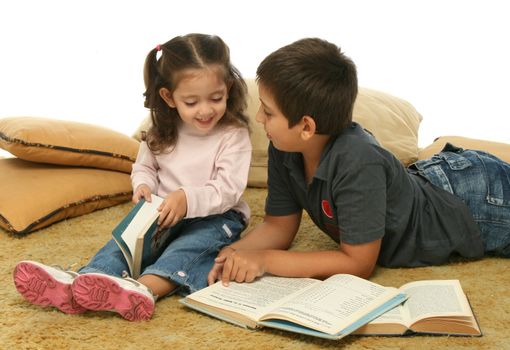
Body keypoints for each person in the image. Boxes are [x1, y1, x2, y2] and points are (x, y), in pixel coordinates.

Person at [207, 37, 510, 287]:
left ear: (307, 127)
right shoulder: (284, 147)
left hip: (476, 201)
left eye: (269, 112)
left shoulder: (357, 162)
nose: (259, 119)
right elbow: (278, 226)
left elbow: (358, 263)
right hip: (430, 182)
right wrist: (230, 254)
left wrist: (266, 260)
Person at [13, 33, 252, 321]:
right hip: (162, 212)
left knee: (186, 249)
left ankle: (143, 290)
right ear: (169, 97)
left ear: (227, 88)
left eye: (216, 98)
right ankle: (83, 283)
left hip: (217, 217)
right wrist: (143, 186)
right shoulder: (160, 127)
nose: (205, 110)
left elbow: (229, 189)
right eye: (191, 102)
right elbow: (144, 167)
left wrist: (187, 199)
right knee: (123, 244)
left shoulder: (233, 134)